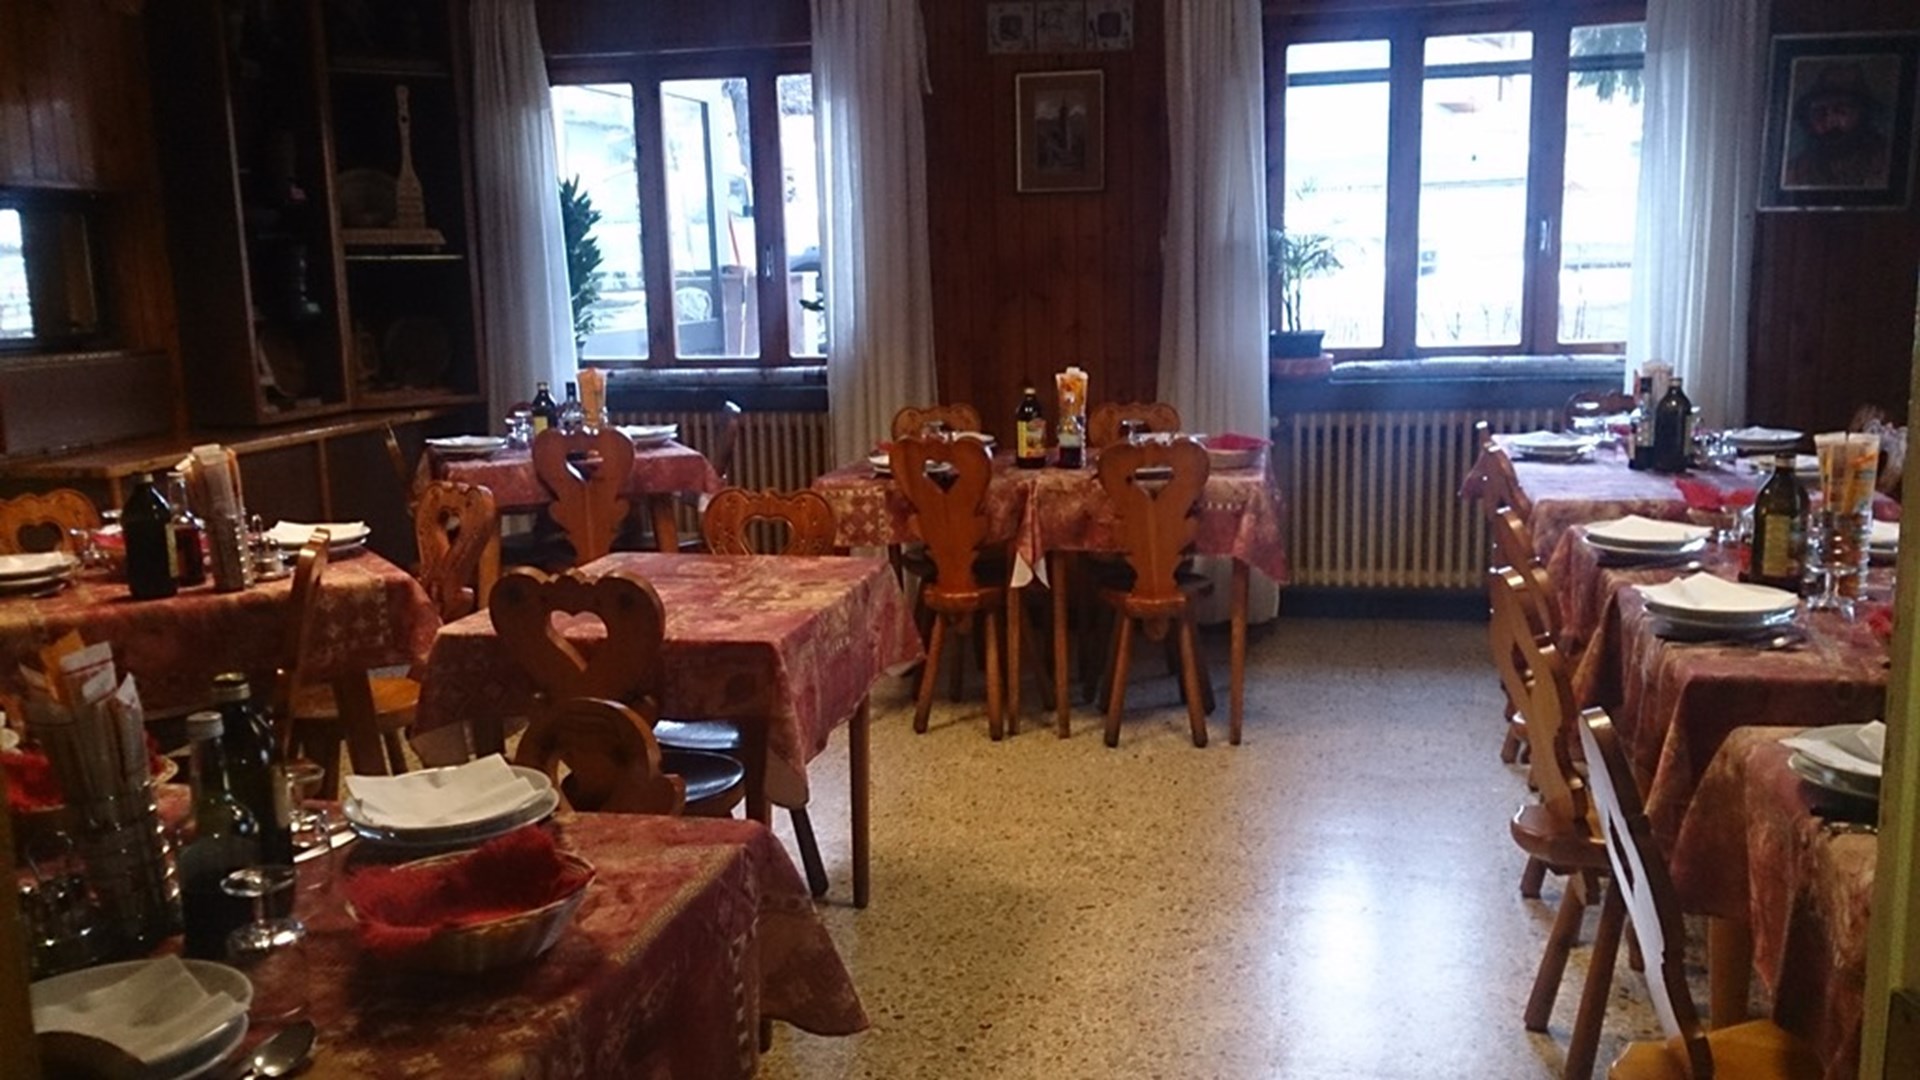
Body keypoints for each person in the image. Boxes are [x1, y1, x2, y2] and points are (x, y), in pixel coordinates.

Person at [1783, 61, 1893, 190]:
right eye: (1820, 112)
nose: (1830, 120)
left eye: (1841, 111)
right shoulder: (1796, 172)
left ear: (1863, 114)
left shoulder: (1888, 162)